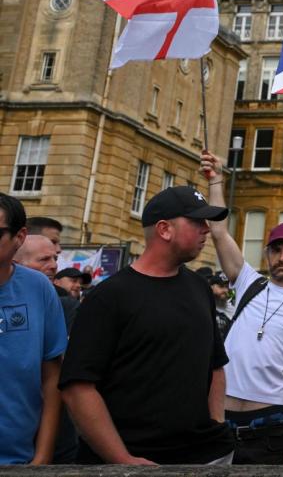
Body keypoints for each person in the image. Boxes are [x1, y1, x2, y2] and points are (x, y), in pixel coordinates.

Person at [59, 186, 232, 464]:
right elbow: (77, 388)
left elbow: (215, 365)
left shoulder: (200, 288)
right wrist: (123, 460)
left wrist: (215, 424)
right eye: (197, 221)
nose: (206, 230)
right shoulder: (109, 297)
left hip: (199, 456)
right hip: (126, 459)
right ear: (165, 229)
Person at [201, 152, 283, 465]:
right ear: (267, 254)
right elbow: (218, 232)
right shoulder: (247, 282)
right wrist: (216, 181)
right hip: (221, 420)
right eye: (276, 249)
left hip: (271, 425)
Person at [0, 193, 66, 465]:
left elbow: (52, 379)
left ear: (20, 236)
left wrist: (41, 459)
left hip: (18, 459)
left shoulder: (39, 288)